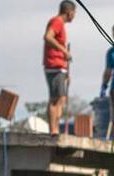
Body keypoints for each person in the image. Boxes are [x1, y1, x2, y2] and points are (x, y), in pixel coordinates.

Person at [43, 0, 76, 135]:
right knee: (55, 98)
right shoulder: (57, 21)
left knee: (62, 98)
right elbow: (48, 37)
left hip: (60, 66)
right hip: (54, 65)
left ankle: (56, 127)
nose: (74, 16)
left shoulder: (61, 25)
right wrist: (64, 51)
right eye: (74, 13)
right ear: (69, 12)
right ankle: (53, 129)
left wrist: (67, 71)